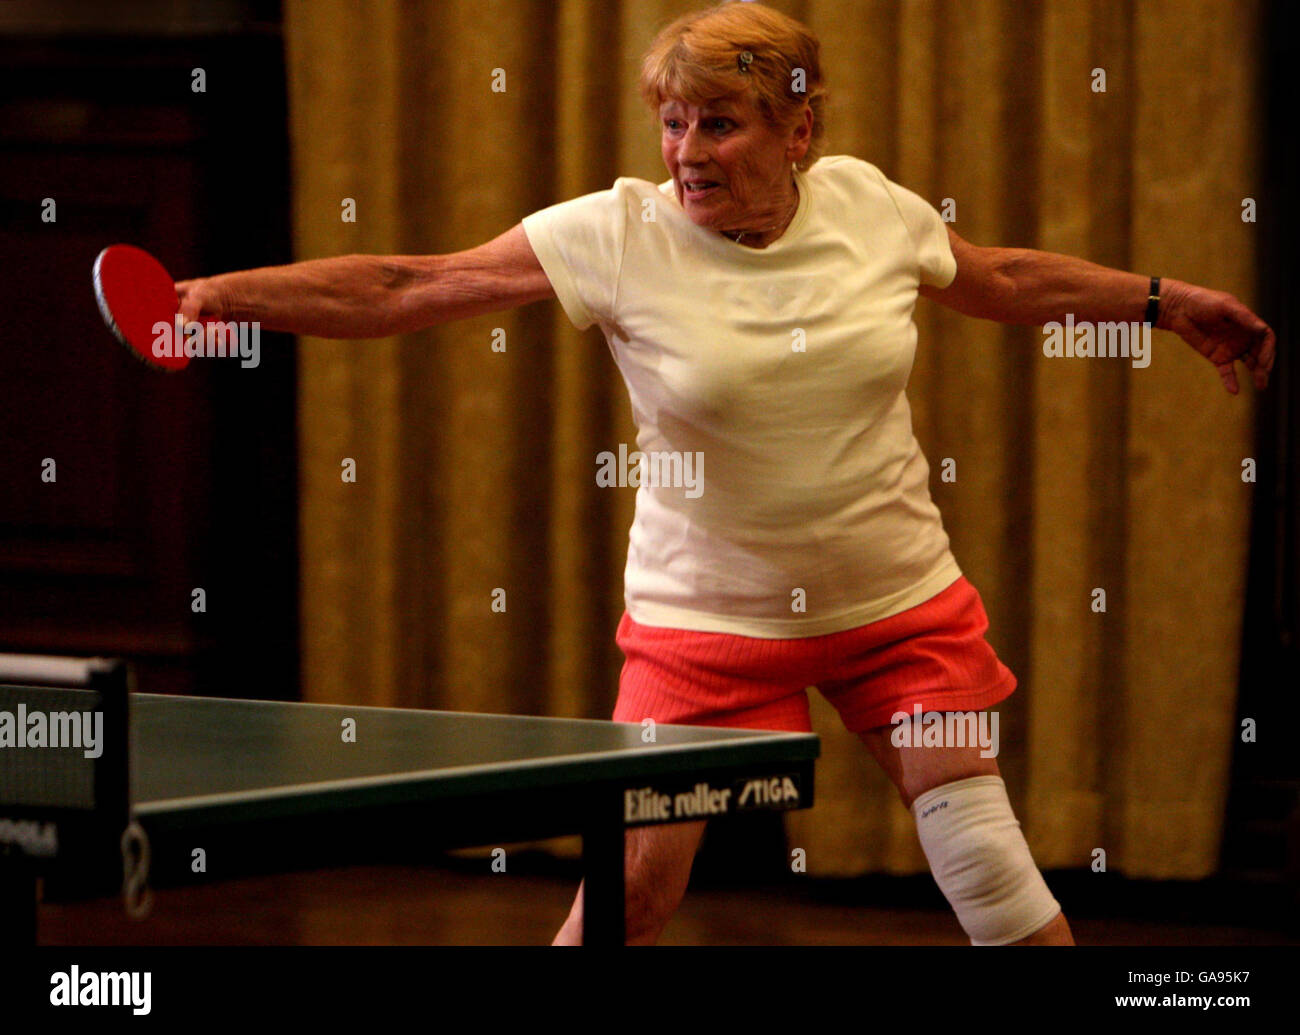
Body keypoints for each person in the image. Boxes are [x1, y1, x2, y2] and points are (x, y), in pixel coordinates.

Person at [176, 1, 1275, 946]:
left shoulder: (870, 207)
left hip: (897, 608)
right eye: (671, 122)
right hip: (703, 629)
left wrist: (1162, 300)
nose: (687, 151)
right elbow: (406, 283)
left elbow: (998, 276)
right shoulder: (617, 234)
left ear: (799, 128)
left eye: (719, 122)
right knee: (631, 899)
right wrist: (232, 297)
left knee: (988, 870)